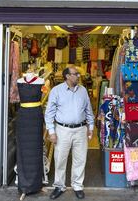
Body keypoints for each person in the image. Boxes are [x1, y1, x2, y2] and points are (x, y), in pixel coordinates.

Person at [44, 66, 94, 200]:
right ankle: (59, 186)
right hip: (62, 130)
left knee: (80, 158)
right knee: (60, 158)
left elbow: (88, 110)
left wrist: (91, 127)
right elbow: (49, 113)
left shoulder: (83, 91)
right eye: (75, 74)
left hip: (81, 130)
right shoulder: (56, 91)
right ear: (67, 76)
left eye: (78, 74)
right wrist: (51, 131)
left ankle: (77, 186)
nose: (78, 76)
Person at [15, 69, 45, 199]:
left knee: (36, 148)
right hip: (23, 117)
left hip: (35, 116)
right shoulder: (19, 81)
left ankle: (35, 184)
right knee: (23, 149)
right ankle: (24, 185)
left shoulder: (41, 81)